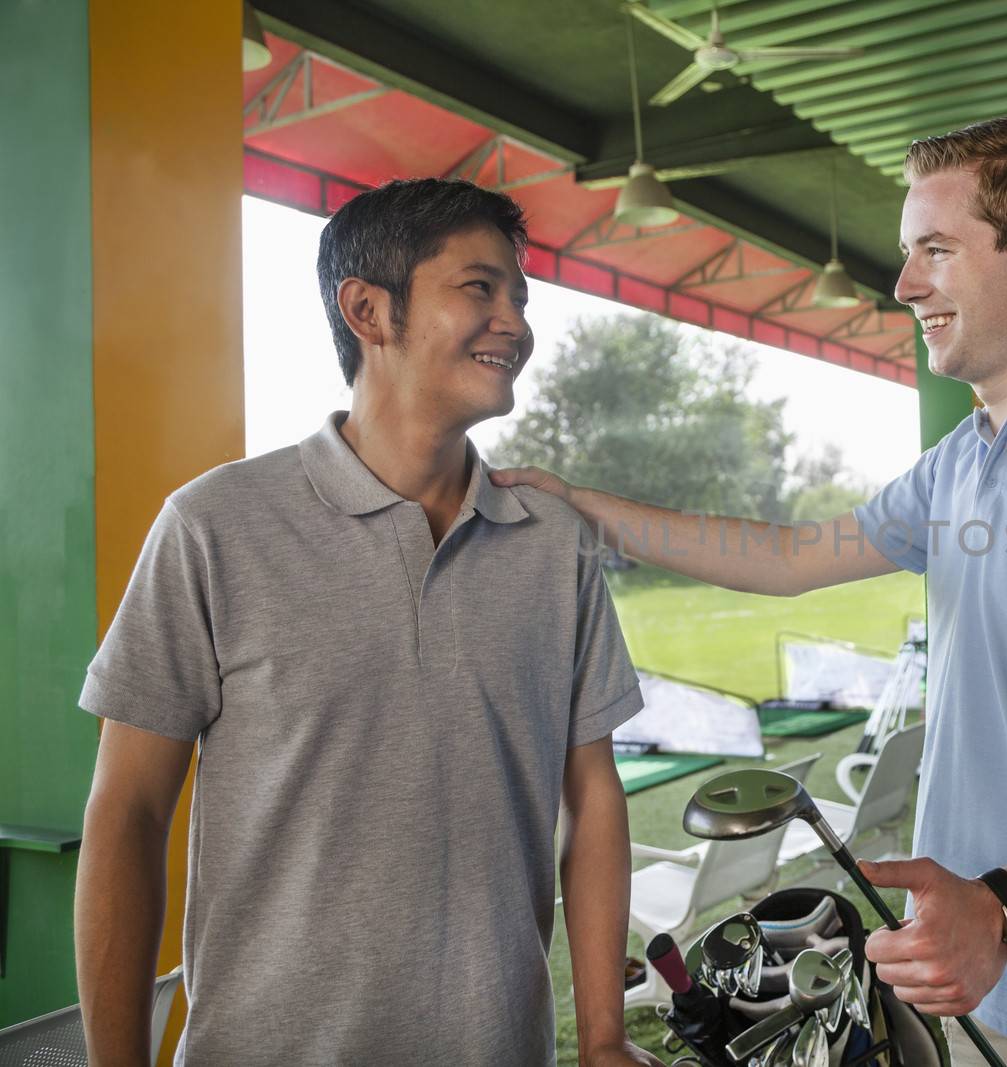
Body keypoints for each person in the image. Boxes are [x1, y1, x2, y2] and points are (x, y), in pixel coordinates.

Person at [493, 115, 1007, 1067]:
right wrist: (583, 505)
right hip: (946, 971)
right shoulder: (957, 463)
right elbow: (785, 557)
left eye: (936, 251)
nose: (904, 286)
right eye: (909, 254)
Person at [74, 178, 660, 1066]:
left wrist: (606, 1037)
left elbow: (593, 795)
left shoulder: (556, 548)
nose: (516, 322)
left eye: (520, 296)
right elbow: (128, 813)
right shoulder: (213, 527)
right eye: (480, 288)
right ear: (368, 310)